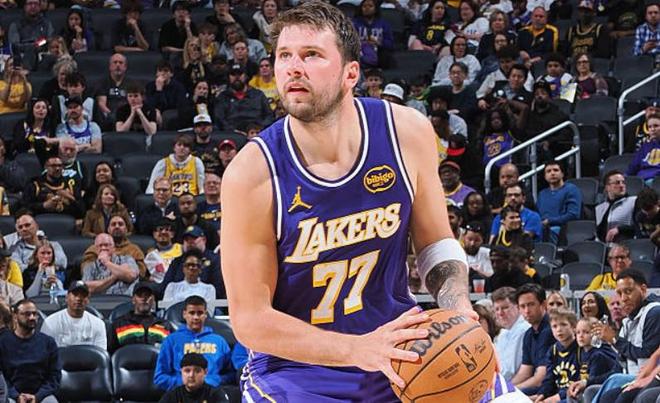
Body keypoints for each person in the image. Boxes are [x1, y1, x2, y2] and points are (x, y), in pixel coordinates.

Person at [220, 2, 477, 400]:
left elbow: (436, 245)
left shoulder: (405, 132)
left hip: (400, 347)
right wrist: (358, 350)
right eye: (284, 56)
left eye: (311, 55)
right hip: (296, 371)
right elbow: (251, 320)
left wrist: (458, 306)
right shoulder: (251, 174)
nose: (293, 68)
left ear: (350, 73)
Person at [154, 296, 233, 391]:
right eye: (191, 313)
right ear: (184, 314)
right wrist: (186, 382)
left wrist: (214, 381)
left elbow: (232, 375)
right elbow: (160, 378)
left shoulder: (219, 341)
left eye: (200, 313)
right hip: (181, 394)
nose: (196, 317)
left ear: (205, 314)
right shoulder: (171, 340)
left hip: (212, 393)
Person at [0, 299, 60, 402]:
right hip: (11, 395)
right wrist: (16, 396)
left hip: (42, 396)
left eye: (34, 314)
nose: (32, 317)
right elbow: (1, 377)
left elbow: (55, 376)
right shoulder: (2, 342)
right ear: (15, 316)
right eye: (27, 314)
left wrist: (38, 396)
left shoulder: (48, 342)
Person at [512, 283, 556, 395]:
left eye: (531, 305)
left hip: (552, 387)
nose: (527, 310)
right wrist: (506, 388)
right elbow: (525, 372)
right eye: (522, 306)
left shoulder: (551, 330)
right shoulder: (528, 334)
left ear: (543, 304)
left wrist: (511, 391)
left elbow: (540, 378)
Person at [566, 317, 622, 402]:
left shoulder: (598, 355)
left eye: (586, 332)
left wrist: (583, 384)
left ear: (596, 334)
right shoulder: (580, 353)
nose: (581, 336)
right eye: (578, 332)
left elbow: (593, 380)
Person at [109, 282, 173, 353]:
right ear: (133, 300)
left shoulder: (165, 325)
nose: (144, 298)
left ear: (153, 300)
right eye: (140, 295)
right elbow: (111, 353)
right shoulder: (118, 324)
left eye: (147, 295)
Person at [160, 226, 223, 299]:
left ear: (204, 240)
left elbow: (219, 289)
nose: (190, 242)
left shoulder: (215, 260)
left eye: (193, 239)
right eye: (186, 239)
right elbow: (164, 286)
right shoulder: (177, 261)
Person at [40, 280, 107, 349]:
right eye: (75, 294)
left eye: (83, 295)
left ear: (88, 300)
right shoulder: (50, 322)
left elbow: (100, 352)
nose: (78, 298)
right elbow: (44, 351)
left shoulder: (98, 324)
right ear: (67, 298)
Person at [531, 308, 579, 402]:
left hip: (572, 394)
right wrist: (542, 394)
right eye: (554, 326)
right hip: (555, 390)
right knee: (522, 393)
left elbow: (578, 381)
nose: (559, 329)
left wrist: (552, 399)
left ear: (574, 327)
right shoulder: (552, 350)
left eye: (563, 325)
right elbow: (549, 378)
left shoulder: (581, 349)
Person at [213, 63, 274, 131]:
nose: (237, 77)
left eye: (240, 74)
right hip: (232, 134)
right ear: (228, 77)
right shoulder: (222, 97)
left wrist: (260, 128)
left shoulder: (258, 95)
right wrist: (233, 131)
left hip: (257, 132)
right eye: (233, 74)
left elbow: (269, 115)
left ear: (245, 76)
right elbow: (219, 119)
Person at [82, 214, 145, 279]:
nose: (117, 226)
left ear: (126, 230)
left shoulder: (134, 250)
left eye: (120, 224)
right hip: (100, 281)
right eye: (113, 224)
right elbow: (85, 269)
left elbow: (141, 273)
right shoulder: (95, 248)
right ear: (108, 229)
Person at [537, 161, 582, 244]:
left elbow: (573, 214)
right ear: (545, 176)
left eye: (556, 170)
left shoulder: (571, 190)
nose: (552, 173)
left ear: (562, 174)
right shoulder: (542, 194)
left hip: (562, 229)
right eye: (548, 171)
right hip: (543, 228)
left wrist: (549, 221)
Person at [492, 286, 531, 381]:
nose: (500, 313)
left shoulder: (523, 330)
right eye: (497, 309)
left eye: (505, 308)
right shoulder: (503, 333)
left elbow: (510, 371)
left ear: (517, 307)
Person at [158, 353, 230, 403]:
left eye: (197, 371)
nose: (191, 375)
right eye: (187, 371)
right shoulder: (172, 395)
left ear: (205, 372)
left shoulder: (216, 394)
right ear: (181, 372)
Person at [6, 0, 54, 70]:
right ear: (25, 6)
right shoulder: (15, 25)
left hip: (43, 55)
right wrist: (34, 46)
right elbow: (15, 46)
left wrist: (37, 45)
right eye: (30, 3)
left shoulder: (46, 23)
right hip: (22, 56)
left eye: (36, 4)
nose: (33, 6)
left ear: (40, 6)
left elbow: (50, 41)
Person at [596, 170, 638, 243]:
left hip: (627, 244)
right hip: (604, 245)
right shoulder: (599, 208)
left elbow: (639, 227)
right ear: (607, 187)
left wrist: (619, 229)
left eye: (623, 182)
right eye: (617, 183)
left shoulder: (634, 201)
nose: (621, 185)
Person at [145, 218, 182, 284]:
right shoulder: (151, 255)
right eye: (160, 229)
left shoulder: (181, 249)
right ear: (154, 234)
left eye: (167, 229)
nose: (163, 232)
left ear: (172, 234)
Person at [627, 113, 659, 183]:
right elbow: (634, 166)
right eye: (649, 127)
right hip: (640, 180)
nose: (652, 129)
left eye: (656, 126)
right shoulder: (645, 146)